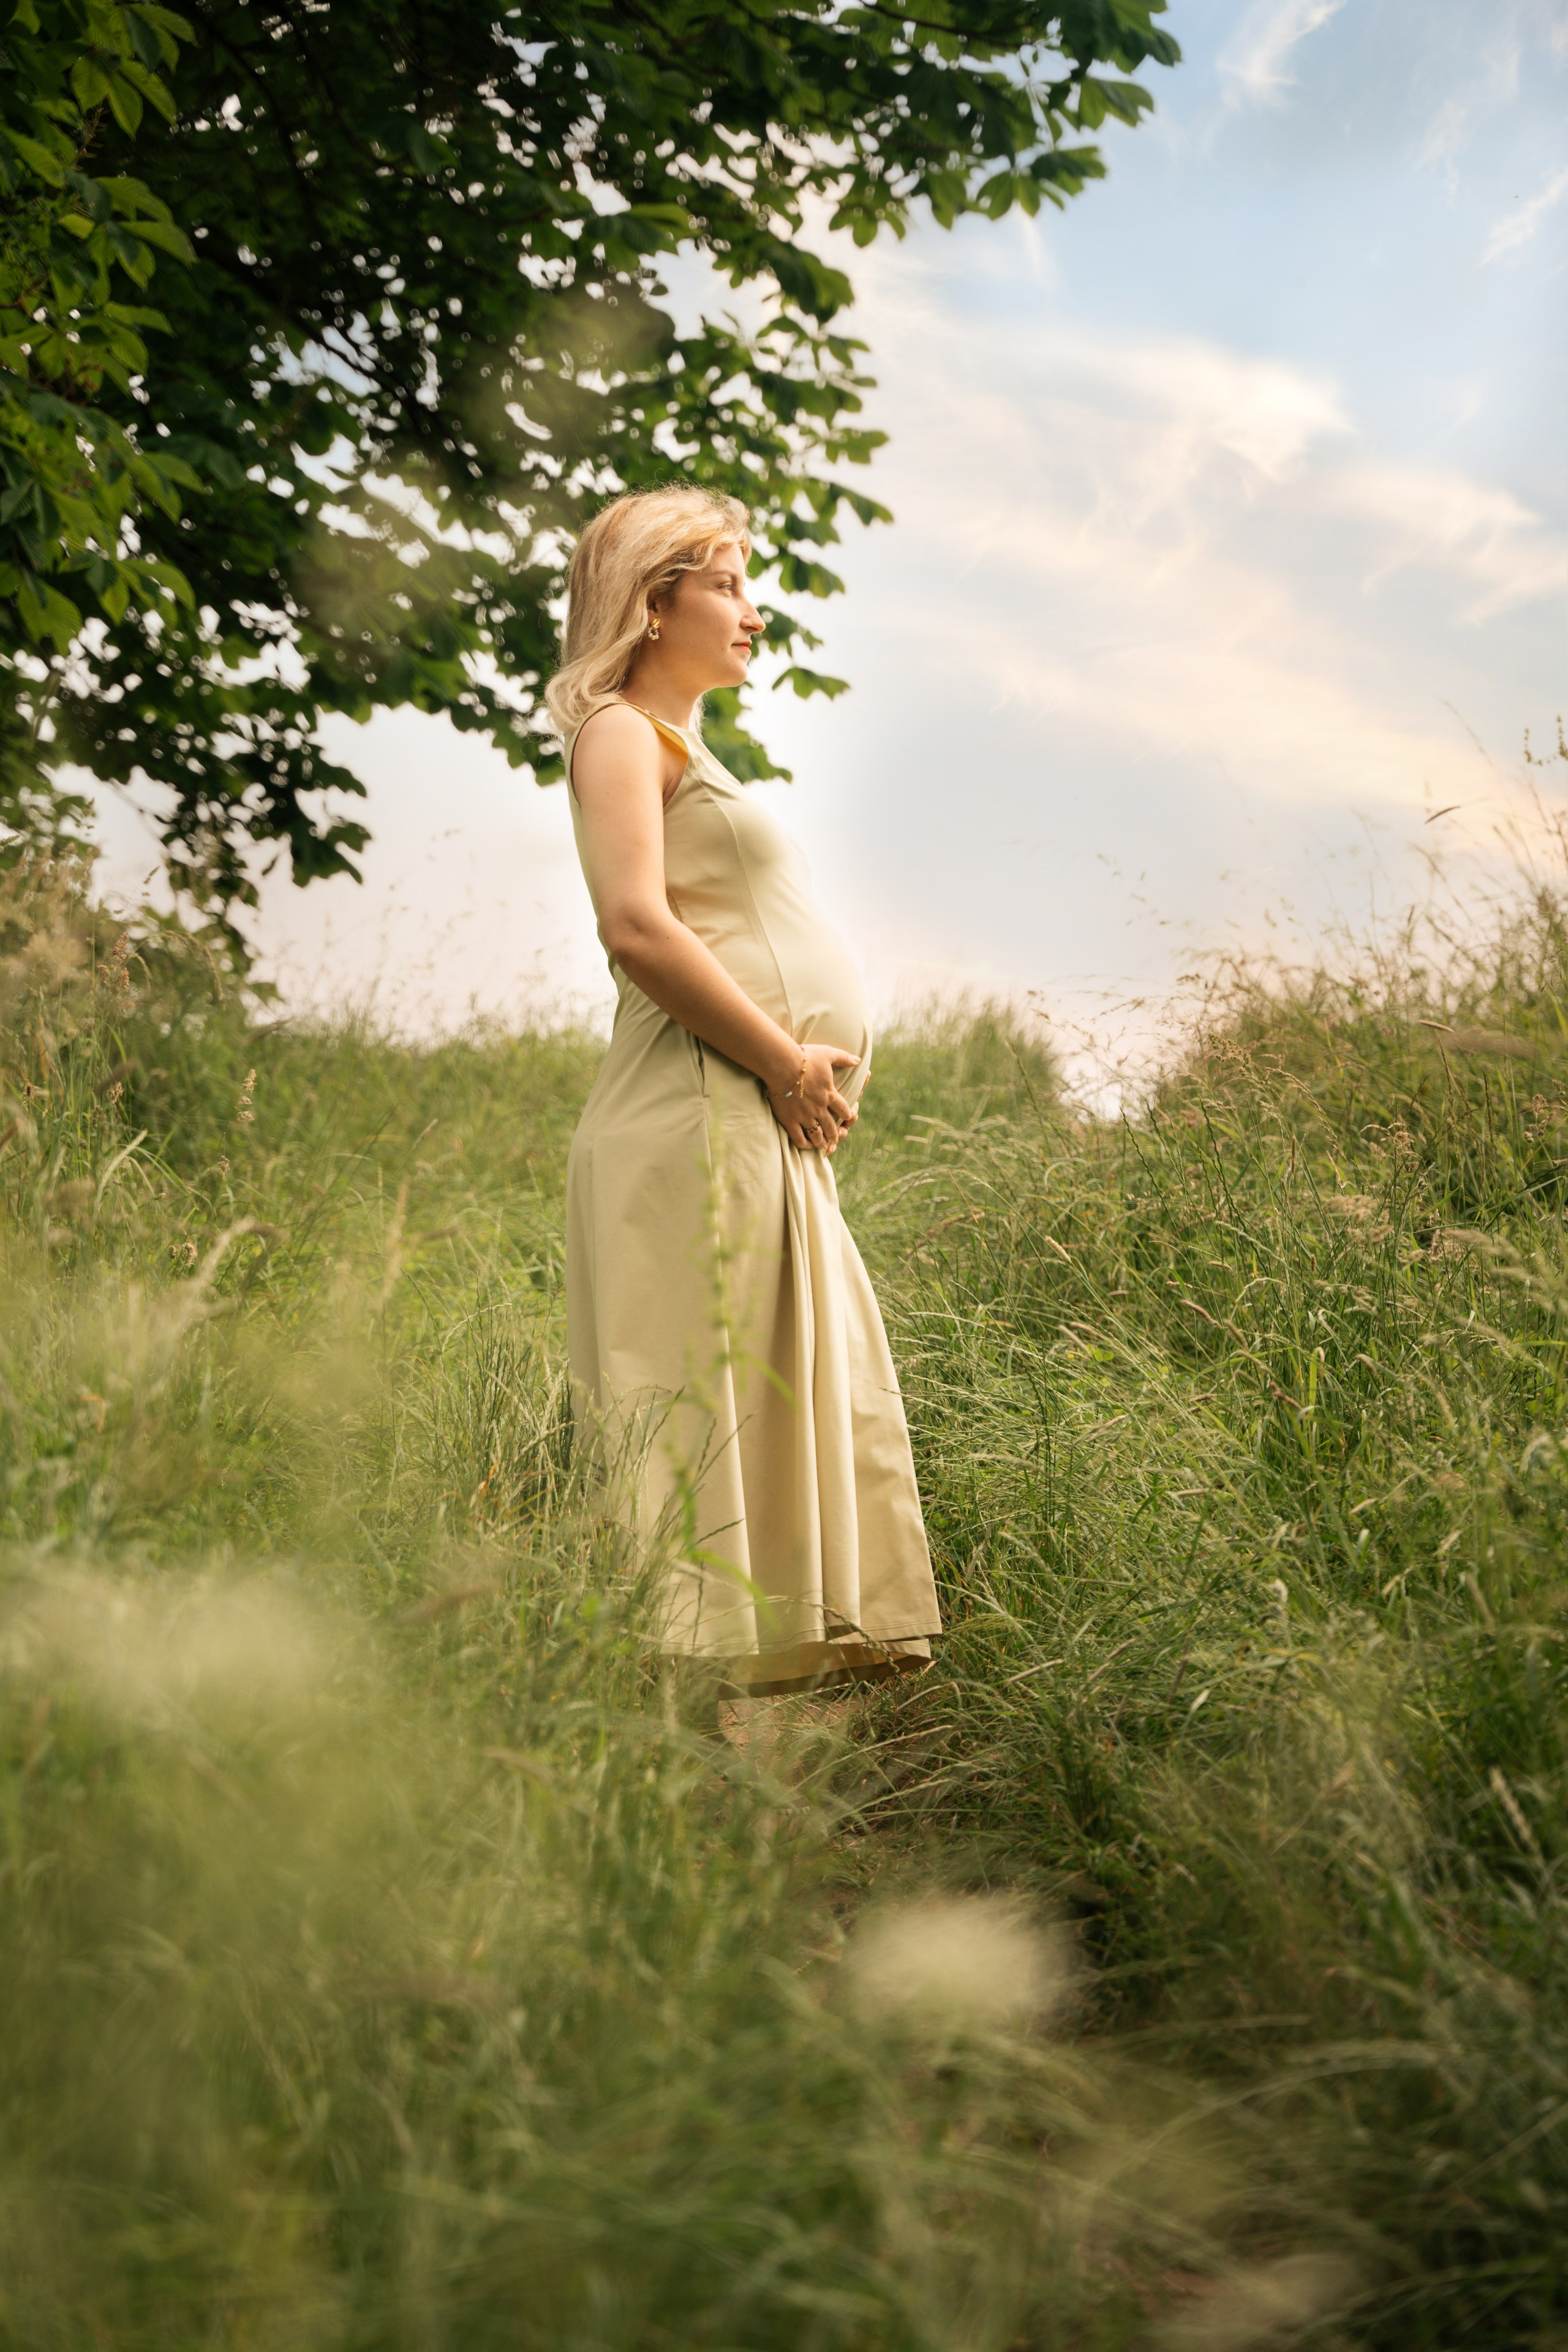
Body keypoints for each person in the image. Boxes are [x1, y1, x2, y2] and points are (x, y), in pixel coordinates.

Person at [545, 483, 941, 1697]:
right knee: (703, 1414)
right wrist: (780, 1056)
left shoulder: (679, 746)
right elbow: (635, 929)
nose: (750, 612)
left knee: (761, 1413)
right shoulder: (619, 732)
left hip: (743, 1125)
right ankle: (693, 1742)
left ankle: (761, 1736)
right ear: (653, 605)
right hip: (699, 1117)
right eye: (726, 583)